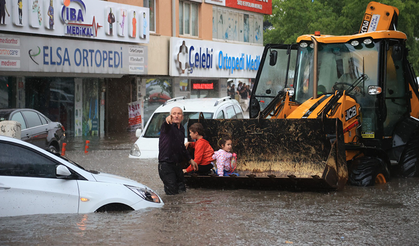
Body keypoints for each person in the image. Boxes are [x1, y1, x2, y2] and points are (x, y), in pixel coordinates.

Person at [158, 106, 198, 195]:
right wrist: (167, 119)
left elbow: (181, 147)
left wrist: (190, 160)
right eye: (174, 114)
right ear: (170, 116)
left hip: (177, 165)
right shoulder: (167, 127)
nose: (176, 116)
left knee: (182, 190)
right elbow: (166, 124)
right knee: (172, 193)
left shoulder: (182, 129)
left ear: (182, 117)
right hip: (166, 165)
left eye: (179, 114)